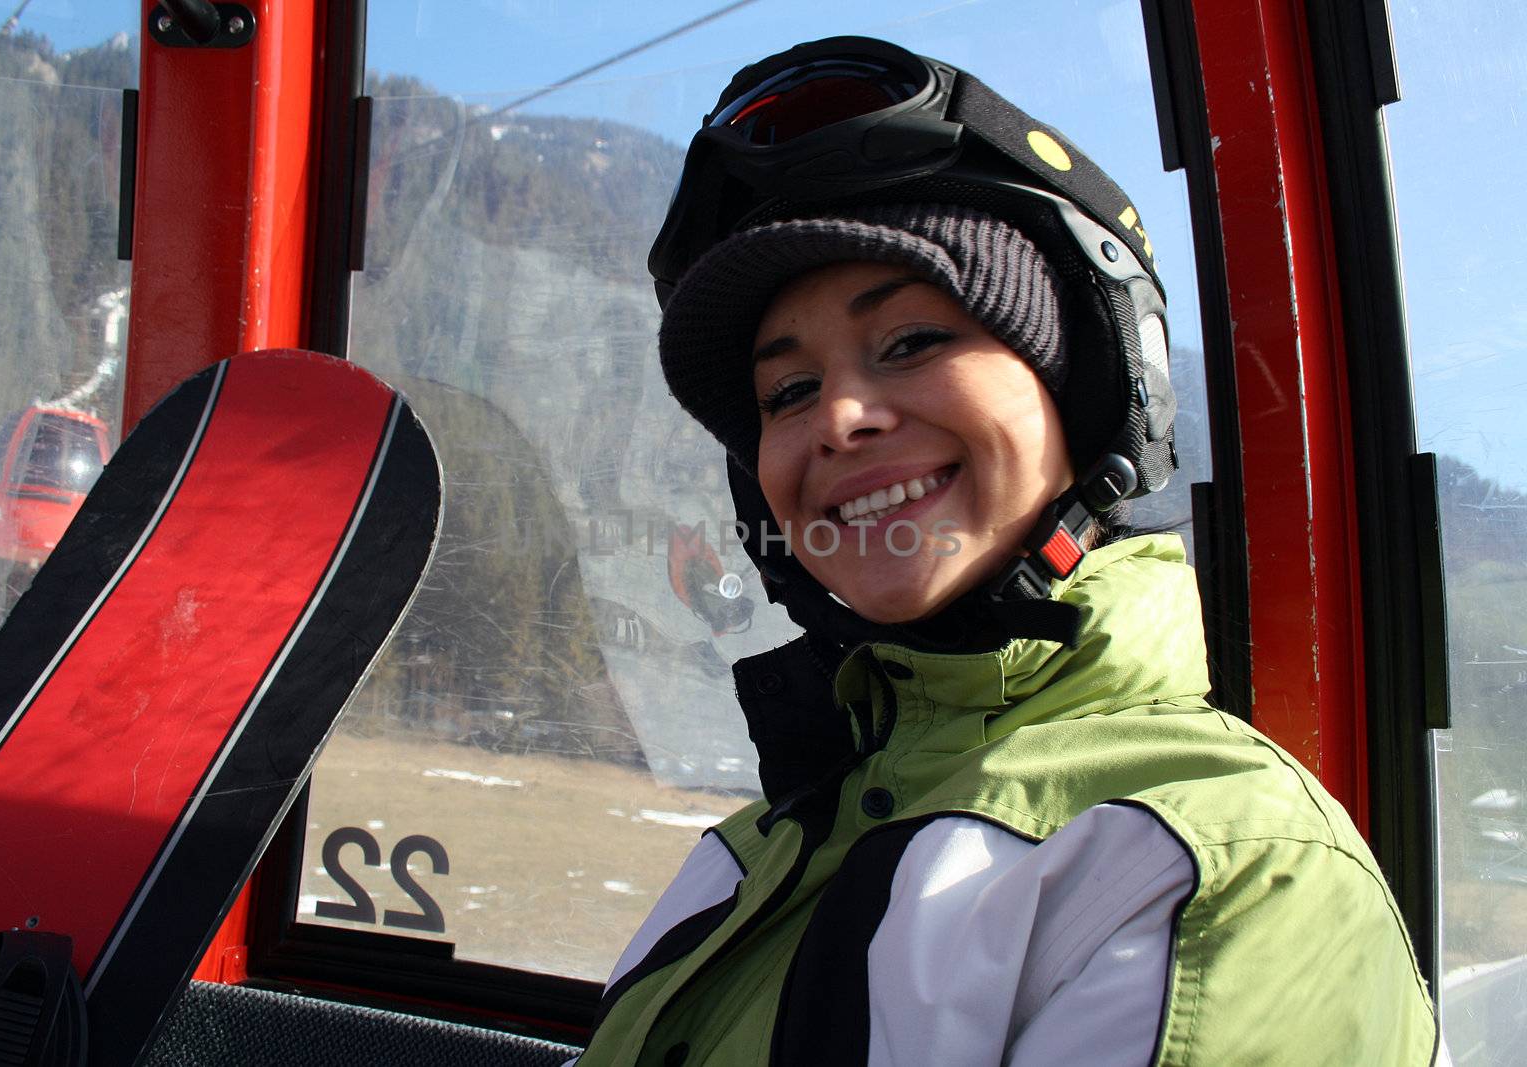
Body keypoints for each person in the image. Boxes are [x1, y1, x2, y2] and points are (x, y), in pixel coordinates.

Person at [573, 36, 1439, 1065]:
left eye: (910, 343)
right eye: (787, 391)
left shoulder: (1219, 867)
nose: (837, 418)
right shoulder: (760, 846)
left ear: (1091, 395)